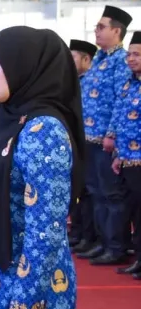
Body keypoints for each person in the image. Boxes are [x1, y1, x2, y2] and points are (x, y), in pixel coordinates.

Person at [0, 26, 81, 309]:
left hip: (29, 305)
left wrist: (23, 305)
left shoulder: (43, 130)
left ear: (24, 68)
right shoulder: (10, 118)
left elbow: (46, 228)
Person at [78, 6, 133, 265]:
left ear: (117, 31)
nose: (96, 31)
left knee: (111, 195)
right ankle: (101, 242)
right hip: (90, 138)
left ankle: (116, 246)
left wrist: (111, 134)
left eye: (101, 27)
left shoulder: (121, 61)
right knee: (95, 193)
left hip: (106, 141)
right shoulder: (100, 58)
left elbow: (121, 101)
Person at [112, 31, 141, 279]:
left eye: (137, 55)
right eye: (129, 54)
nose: (131, 59)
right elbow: (122, 121)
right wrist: (119, 155)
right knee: (134, 213)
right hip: (127, 159)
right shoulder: (129, 84)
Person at [67, 39, 98, 250]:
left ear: (86, 59)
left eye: (73, 57)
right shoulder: (73, 82)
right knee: (78, 189)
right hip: (75, 141)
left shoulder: (94, 81)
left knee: (92, 192)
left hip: (92, 142)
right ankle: (78, 233)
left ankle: (92, 238)